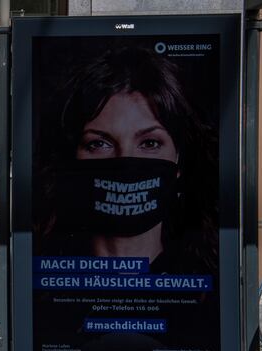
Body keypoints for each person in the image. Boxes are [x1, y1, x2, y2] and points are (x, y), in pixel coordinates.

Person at [34, 46, 218, 274]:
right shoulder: (46, 281)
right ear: (71, 156)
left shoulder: (205, 288)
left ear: (179, 157)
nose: (126, 163)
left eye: (150, 143)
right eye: (99, 144)